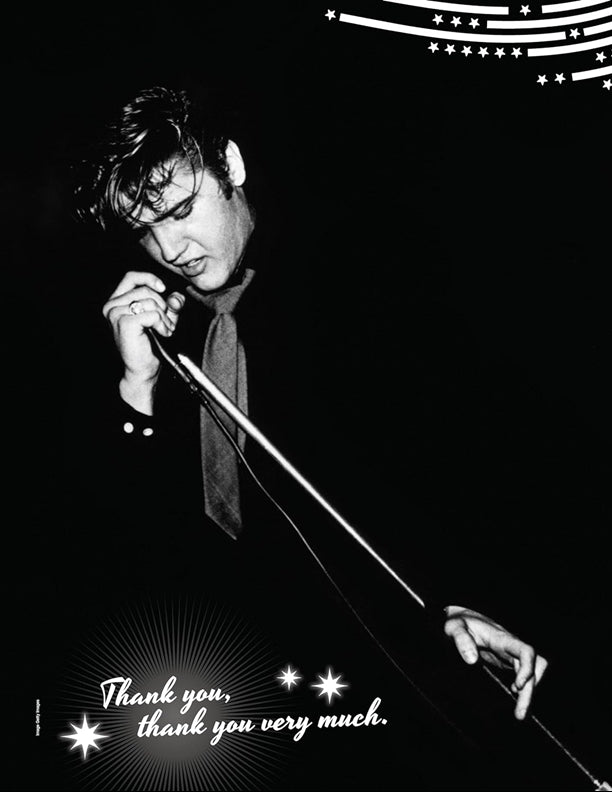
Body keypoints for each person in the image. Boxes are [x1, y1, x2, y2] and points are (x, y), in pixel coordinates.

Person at [72, 85, 547, 731]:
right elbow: (132, 559)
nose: (170, 248)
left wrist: (464, 596)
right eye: (144, 230)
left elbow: (465, 457)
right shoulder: (159, 331)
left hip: (415, 678)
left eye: (181, 210)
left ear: (230, 165)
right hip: (254, 694)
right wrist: (137, 386)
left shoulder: (361, 274)